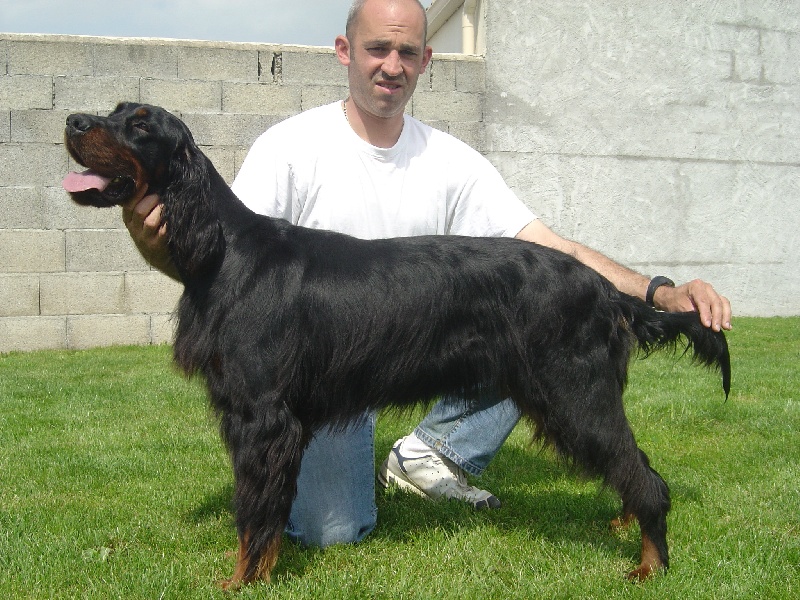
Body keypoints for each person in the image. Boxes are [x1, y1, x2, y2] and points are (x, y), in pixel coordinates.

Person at [123, 0, 732, 548]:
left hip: (417, 348)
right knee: (332, 530)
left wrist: (658, 291)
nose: (392, 66)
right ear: (345, 51)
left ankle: (433, 455)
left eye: (407, 52)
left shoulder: (452, 159)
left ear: (425, 61)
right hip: (324, 372)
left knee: (531, 329)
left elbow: (547, 248)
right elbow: (228, 271)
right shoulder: (288, 147)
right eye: (377, 49)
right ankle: (367, 467)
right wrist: (150, 244)